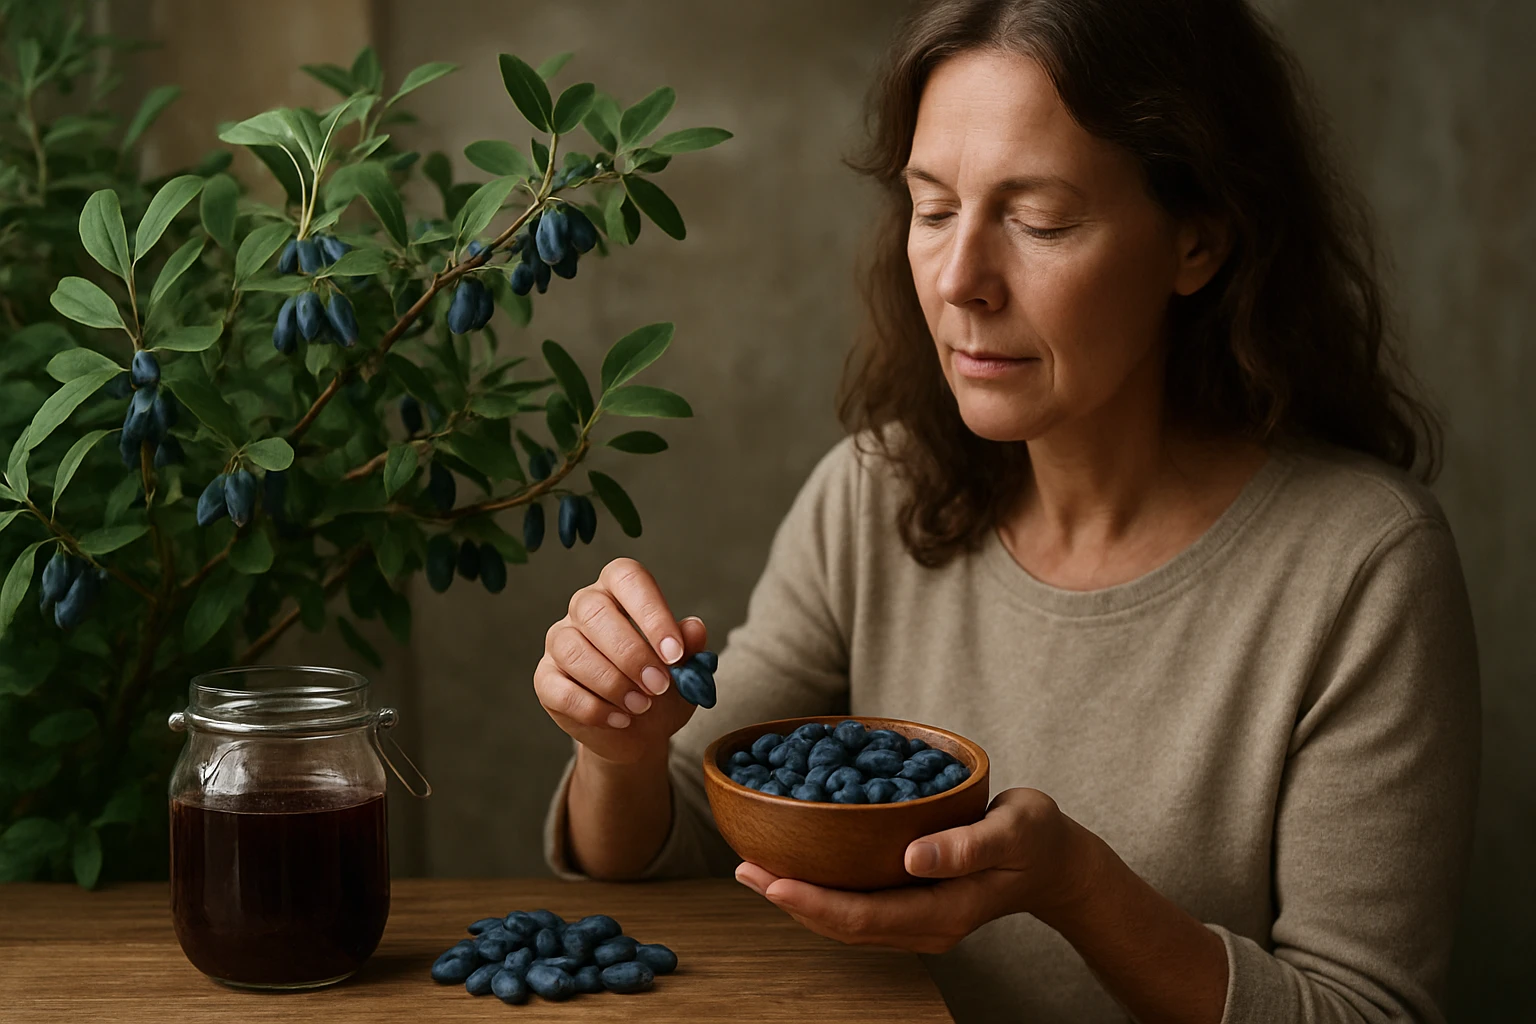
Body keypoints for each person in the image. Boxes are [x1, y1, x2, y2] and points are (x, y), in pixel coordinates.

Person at [534, 0, 1480, 1020]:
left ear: (1198, 241)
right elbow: (672, 840)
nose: (959, 281)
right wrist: (619, 750)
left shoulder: (1363, 565)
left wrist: (1078, 890)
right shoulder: (873, 493)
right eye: (933, 209)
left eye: (1039, 221)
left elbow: (1365, 1011)